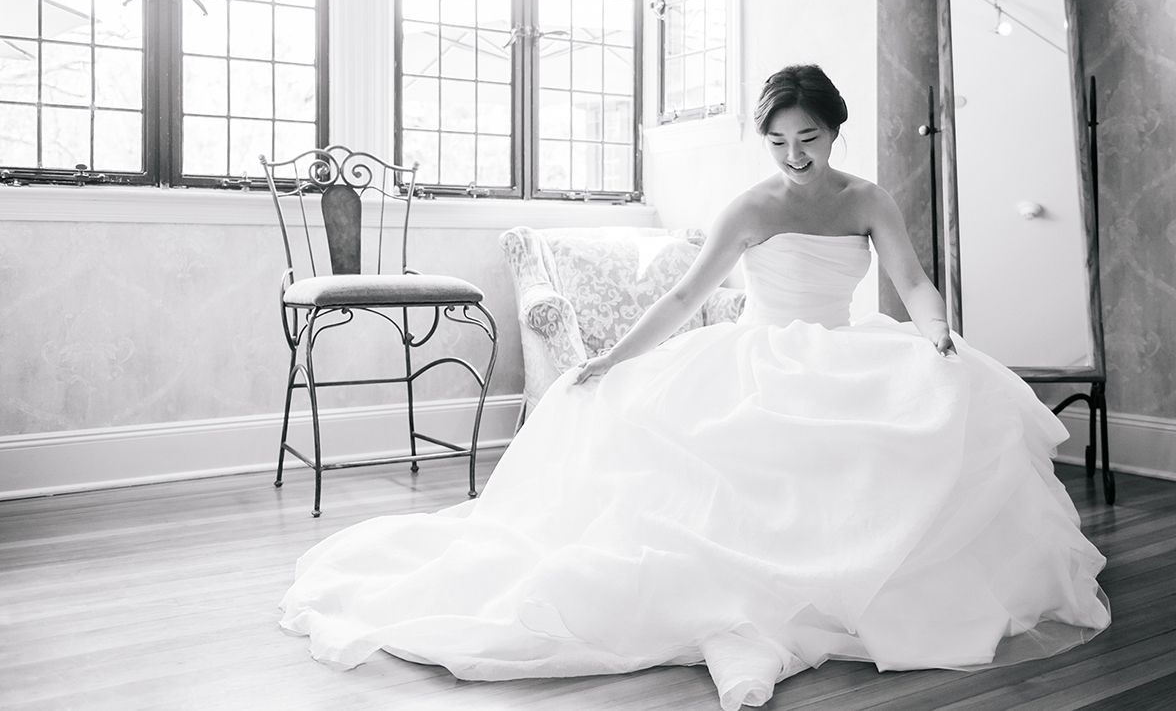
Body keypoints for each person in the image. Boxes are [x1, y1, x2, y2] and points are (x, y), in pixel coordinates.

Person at [280, 65, 1111, 711]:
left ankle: (843, 584)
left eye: (809, 138)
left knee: (943, 401)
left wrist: (934, 330)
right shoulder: (750, 207)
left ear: (835, 131)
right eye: (779, 142)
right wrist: (613, 358)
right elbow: (682, 297)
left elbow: (914, 281)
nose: (795, 155)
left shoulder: (868, 200)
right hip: (757, 352)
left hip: (841, 346)